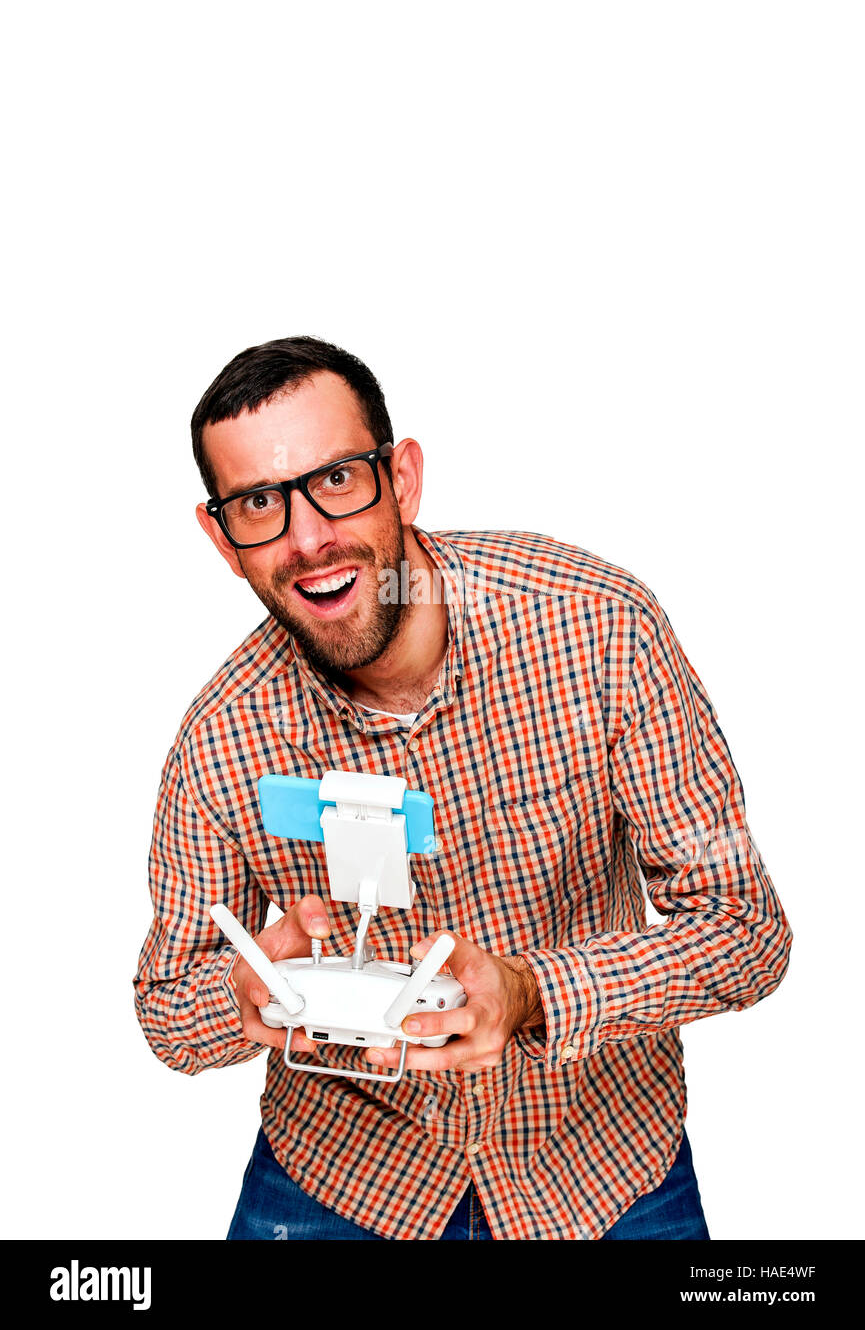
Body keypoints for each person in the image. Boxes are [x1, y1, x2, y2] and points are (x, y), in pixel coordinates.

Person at [134, 335, 792, 1241]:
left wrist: (532, 993)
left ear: (400, 478)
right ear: (221, 538)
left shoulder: (597, 632)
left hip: (603, 1167)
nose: (307, 538)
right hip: (339, 1185)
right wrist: (242, 998)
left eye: (335, 480)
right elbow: (168, 1010)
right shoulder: (222, 737)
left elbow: (744, 932)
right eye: (258, 504)